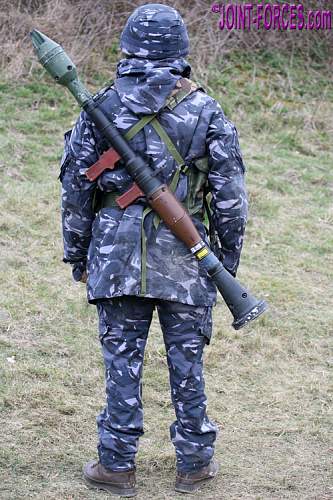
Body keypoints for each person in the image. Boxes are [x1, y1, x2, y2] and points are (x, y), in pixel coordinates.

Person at [60, 3, 248, 496]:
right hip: (189, 262)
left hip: (115, 261)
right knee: (188, 362)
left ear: (127, 48)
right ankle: (194, 462)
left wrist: (78, 254)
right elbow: (230, 199)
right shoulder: (206, 110)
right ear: (181, 51)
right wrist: (224, 261)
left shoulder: (100, 106)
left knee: (121, 363)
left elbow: (76, 191)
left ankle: (117, 464)